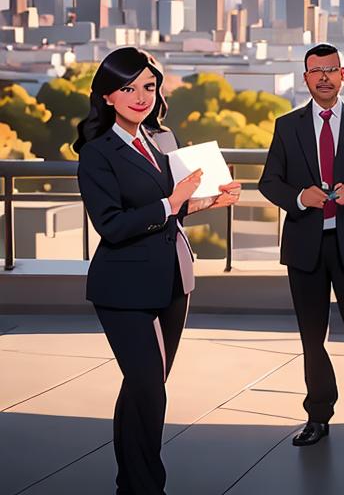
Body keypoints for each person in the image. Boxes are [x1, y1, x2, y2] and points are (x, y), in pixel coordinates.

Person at [76, 47, 241, 494]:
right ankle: (148, 486)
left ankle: (130, 484)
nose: (140, 96)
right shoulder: (96, 153)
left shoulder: (162, 140)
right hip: (123, 286)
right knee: (149, 388)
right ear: (108, 95)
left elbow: (175, 212)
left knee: (142, 390)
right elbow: (110, 225)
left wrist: (209, 200)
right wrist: (172, 201)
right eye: (128, 88)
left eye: (148, 86)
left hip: (173, 279)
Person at [259, 43, 344, 446]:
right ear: (305, 78)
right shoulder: (287, 126)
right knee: (311, 336)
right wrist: (300, 198)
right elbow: (270, 182)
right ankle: (317, 417)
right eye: (315, 71)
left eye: (330, 69)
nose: (323, 77)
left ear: (343, 75)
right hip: (305, 246)